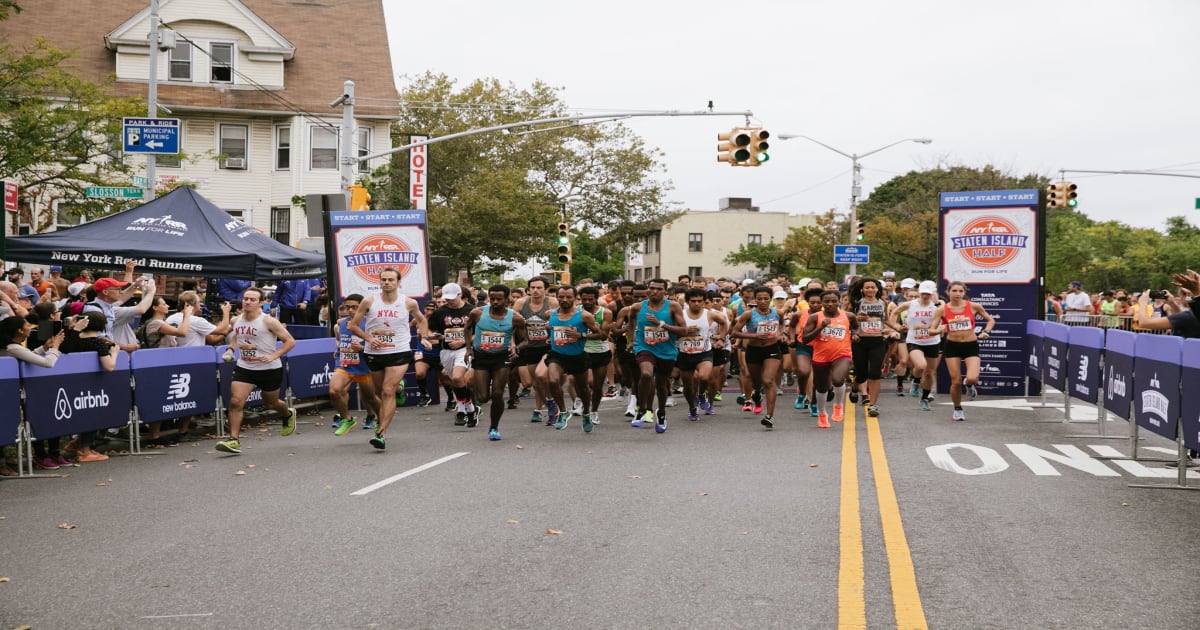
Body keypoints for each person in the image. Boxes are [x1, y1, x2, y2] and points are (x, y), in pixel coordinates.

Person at [348, 267, 429, 450]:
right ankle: (399, 390)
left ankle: (381, 433)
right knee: (379, 392)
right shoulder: (369, 301)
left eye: (391, 280)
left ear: (398, 282)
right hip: (374, 352)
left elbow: (422, 320)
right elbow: (353, 325)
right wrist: (369, 338)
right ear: (379, 282)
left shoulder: (408, 303)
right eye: (383, 279)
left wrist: (424, 337)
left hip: (399, 351)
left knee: (386, 391)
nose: (386, 282)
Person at [214, 287, 298, 454]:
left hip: (269, 368)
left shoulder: (269, 321)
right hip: (245, 366)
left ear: (261, 303)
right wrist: (231, 349)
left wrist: (274, 356)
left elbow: (290, 341)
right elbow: (238, 336)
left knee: (270, 403)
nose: (247, 302)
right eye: (245, 298)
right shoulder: (235, 320)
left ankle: (287, 413)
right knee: (236, 401)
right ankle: (234, 440)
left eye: (252, 300)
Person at [0, 315, 66, 473]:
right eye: (27, 325)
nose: (31, 327)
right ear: (19, 330)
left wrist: (44, 348)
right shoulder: (12, 347)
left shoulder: (13, 347)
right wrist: (55, 348)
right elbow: (47, 363)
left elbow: (27, 355)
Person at [627, 278, 688, 433]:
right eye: (652, 288)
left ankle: (661, 412)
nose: (655, 291)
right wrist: (631, 340)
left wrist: (661, 324)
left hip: (666, 350)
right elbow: (631, 323)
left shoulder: (673, 307)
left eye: (659, 289)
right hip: (644, 347)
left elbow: (684, 331)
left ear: (665, 292)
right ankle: (642, 409)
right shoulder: (637, 307)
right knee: (646, 374)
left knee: (661, 385)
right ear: (647, 289)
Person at [466, 285, 526, 440]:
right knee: (484, 397)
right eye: (492, 298)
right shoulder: (477, 313)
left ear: (507, 299)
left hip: (502, 357)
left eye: (499, 299)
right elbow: (467, 328)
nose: (495, 302)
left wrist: (516, 348)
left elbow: (526, 340)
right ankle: (476, 404)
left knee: (497, 393)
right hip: (481, 357)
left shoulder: (515, 318)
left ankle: (494, 428)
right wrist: (468, 348)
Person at [928, 281, 995, 421]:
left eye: (960, 291)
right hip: (952, 346)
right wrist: (939, 330)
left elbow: (990, 320)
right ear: (948, 292)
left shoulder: (973, 306)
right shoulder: (942, 310)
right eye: (954, 291)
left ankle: (970, 386)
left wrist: (986, 332)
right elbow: (931, 330)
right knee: (956, 381)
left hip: (971, 345)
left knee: (972, 378)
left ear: (964, 293)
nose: (957, 294)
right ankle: (957, 408)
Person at [60, 311, 119, 462]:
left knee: (83, 413)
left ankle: (77, 443)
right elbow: (109, 366)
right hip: (93, 385)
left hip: (73, 383)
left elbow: (64, 350)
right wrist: (115, 352)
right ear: (101, 325)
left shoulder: (72, 340)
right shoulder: (98, 343)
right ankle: (84, 451)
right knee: (93, 413)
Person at [542, 285, 602, 431]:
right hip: (557, 355)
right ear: (556, 298)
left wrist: (580, 335)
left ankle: (586, 413)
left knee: (583, 389)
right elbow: (551, 328)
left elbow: (600, 334)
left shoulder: (584, 316)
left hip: (577, 356)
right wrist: (550, 336)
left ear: (576, 298)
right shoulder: (550, 314)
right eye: (561, 297)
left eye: (569, 297)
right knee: (552, 380)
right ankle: (563, 412)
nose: (564, 300)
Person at [730, 285, 788, 429]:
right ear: (755, 300)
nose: (763, 301)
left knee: (768, 381)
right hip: (754, 350)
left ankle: (769, 416)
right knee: (757, 383)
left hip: (772, 349)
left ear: (771, 299)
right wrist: (754, 335)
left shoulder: (778, 313)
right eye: (760, 299)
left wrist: (781, 333)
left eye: (766, 299)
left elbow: (782, 325)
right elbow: (734, 333)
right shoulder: (748, 315)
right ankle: (756, 393)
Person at [425, 282, 478, 427]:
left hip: (464, 351)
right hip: (446, 351)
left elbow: (478, 333)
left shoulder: (472, 311)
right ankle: (471, 410)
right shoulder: (440, 312)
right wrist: (432, 337)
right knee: (455, 382)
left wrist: (463, 341)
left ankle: (461, 411)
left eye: (452, 298)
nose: (449, 301)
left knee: (457, 377)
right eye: (446, 298)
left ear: (460, 295)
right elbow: (429, 330)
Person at [330, 294, 380, 436]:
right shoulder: (342, 323)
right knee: (334, 391)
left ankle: (381, 420)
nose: (350, 310)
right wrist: (340, 348)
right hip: (345, 364)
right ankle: (347, 419)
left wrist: (362, 348)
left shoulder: (370, 324)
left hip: (363, 366)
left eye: (354, 307)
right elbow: (340, 340)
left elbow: (379, 346)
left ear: (362, 307)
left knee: (370, 398)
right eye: (347, 307)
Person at [847, 277, 898, 418]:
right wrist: (856, 321)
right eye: (867, 287)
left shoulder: (883, 302)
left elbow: (886, 320)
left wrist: (897, 327)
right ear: (862, 289)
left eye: (873, 287)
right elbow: (846, 320)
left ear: (877, 289)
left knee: (875, 374)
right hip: (860, 341)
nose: (870, 290)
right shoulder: (856, 303)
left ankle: (873, 405)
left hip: (878, 341)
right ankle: (854, 388)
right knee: (862, 375)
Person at [802, 290, 853, 429]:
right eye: (827, 301)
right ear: (822, 303)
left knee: (837, 379)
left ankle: (838, 405)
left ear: (839, 301)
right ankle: (822, 413)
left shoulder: (848, 316)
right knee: (821, 387)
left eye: (834, 301)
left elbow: (856, 329)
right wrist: (820, 327)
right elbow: (805, 339)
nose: (830, 304)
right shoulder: (814, 317)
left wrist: (856, 335)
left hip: (842, 354)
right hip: (821, 356)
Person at [889, 281, 944, 411]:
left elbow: (949, 317)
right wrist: (895, 327)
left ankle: (924, 398)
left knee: (930, 373)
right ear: (920, 293)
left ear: (933, 294)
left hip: (932, 341)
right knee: (920, 365)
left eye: (928, 294)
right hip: (915, 340)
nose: (925, 296)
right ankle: (916, 380)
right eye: (923, 293)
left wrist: (942, 327)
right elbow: (895, 312)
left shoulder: (938, 307)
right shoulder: (910, 304)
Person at [511, 277, 557, 424]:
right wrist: (512, 343)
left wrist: (551, 329)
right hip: (530, 346)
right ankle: (544, 407)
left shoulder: (551, 302)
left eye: (539, 288)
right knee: (536, 383)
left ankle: (550, 405)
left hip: (547, 346)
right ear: (528, 289)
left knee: (541, 375)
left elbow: (561, 321)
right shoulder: (521, 303)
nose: (535, 291)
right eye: (532, 288)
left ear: (546, 290)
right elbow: (510, 324)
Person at [676, 287, 727, 422]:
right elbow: (672, 333)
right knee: (687, 386)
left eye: (700, 301)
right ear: (688, 302)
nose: (697, 304)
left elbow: (724, 323)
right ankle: (692, 408)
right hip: (685, 353)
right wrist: (684, 331)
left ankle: (701, 395)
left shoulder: (709, 314)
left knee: (704, 377)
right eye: (693, 301)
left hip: (704, 352)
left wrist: (721, 338)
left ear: (704, 302)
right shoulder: (680, 314)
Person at [578, 285, 615, 426]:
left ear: (596, 299)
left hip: (600, 351)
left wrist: (581, 334)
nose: (587, 302)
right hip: (582, 351)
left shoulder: (605, 313)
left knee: (598, 386)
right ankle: (584, 406)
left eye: (590, 300)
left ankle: (594, 411)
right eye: (584, 299)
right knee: (585, 383)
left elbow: (604, 336)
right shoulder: (576, 311)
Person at [787, 288, 824, 417]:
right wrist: (791, 338)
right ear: (807, 302)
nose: (815, 305)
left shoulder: (828, 315)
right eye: (812, 302)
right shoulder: (799, 314)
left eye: (818, 303)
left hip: (822, 348)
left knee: (818, 378)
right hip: (804, 346)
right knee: (803, 372)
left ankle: (813, 403)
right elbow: (791, 326)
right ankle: (802, 393)